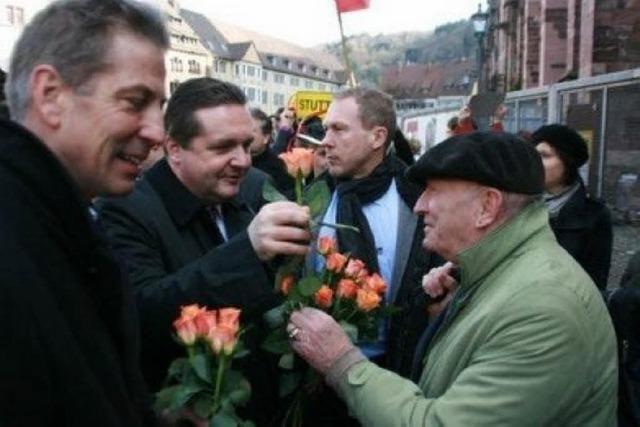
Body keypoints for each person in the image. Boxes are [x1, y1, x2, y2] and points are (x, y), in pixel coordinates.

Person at [288, 131, 618, 426]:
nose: (419, 205)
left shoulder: (544, 309)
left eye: (433, 191)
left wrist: (342, 362)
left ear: (487, 206)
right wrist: (450, 315)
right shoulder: (496, 274)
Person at [96, 77, 311, 423]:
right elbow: (143, 316)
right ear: (174, 148)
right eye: (223, 147)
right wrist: (247, 251)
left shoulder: (253, 191)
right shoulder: (126, 210)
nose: (242, 161)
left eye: (245, 144)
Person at [0, 0, 168, 425]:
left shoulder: (59, 217)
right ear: (51, 95)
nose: (157, 133)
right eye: (134, 101)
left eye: (160, 107)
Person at [317, 87, 443, 377]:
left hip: (397, 373)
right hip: (321, 375)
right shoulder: (314, 197)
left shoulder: (417, 201)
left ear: (377, 136)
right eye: (326, 129)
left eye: (338, 129)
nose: (325, 141)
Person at [532, 124, 612, 290]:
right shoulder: (520, 203)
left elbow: (595, 281)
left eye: (545, 155)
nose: (535, 162)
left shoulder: (594, 215)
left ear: (568, 162)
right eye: (533, 154)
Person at [248, 107, 293, 195]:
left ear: (266, 137)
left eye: (251, 131)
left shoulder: (276, 169)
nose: (244, 135)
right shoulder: (233, 161)